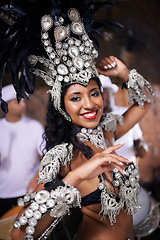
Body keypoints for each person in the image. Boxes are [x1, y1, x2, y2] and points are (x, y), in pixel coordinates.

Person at [0, 2, 154, 240]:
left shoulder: (107, 133)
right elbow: (20, 234)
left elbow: (145, 102)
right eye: (75, 97)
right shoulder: (61, 157)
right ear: (62, 107)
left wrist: (124, 73)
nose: (90, 104)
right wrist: (77, 176)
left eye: (94, 93)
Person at [0, 84, 44, 217]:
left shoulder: (34, 127)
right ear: (6, 105)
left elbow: (47, 156)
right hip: (3, 193)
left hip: (29, 191)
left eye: (23, 100)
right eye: (17, 101)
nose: (23, 104)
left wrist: (37, 178)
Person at [99, 75, 148, 164]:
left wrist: (142, 148)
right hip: (108, 171)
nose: (101, 97)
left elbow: (138, 140)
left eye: (104, 91)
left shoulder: (125, 113)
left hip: (128, 168)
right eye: (97, 94)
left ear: (113, 93)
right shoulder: (94, 120)